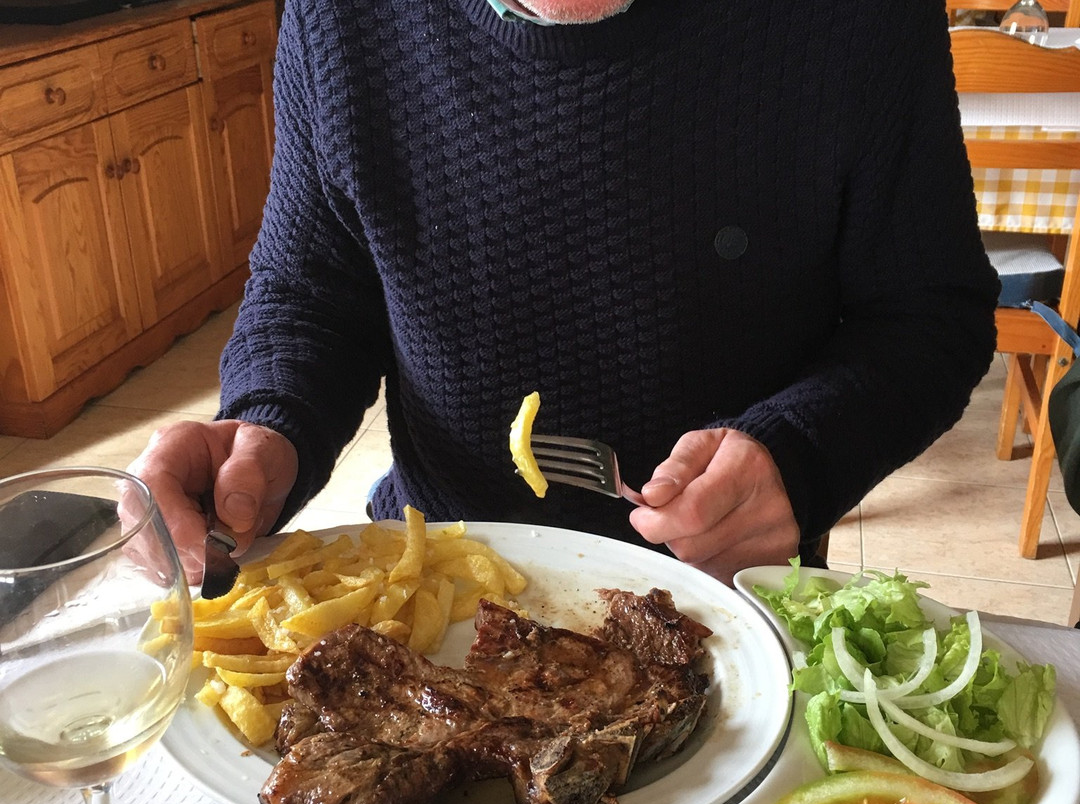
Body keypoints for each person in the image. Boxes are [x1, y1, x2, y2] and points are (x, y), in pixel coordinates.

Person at [128, 0, 1000, 587]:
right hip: (438, 586)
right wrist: (267, 427)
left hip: (731, 600)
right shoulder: (338, 15)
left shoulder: (862, 18)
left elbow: (932, 313)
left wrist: (801, 455)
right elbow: (314, 288)